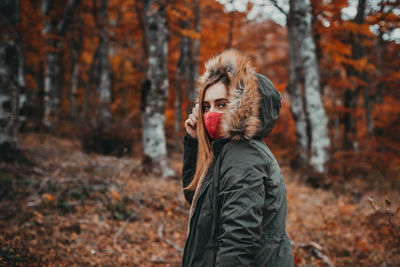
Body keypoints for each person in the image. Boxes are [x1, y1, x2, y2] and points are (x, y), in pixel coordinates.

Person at [181, 48, 294, 267]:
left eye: (221, 104)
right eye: (206, 107)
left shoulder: (243, 155)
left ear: (242, 107)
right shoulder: (227, 150)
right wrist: (193, 141)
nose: (210, 114)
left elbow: (239, 240)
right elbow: (196, 197)